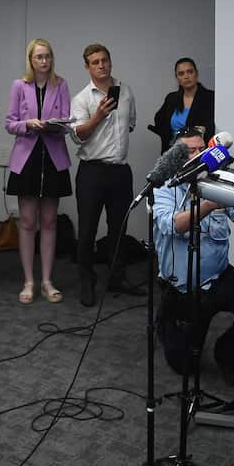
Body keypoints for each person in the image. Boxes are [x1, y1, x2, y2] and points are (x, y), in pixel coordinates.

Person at [153, 128, 234, 387]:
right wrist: (209, 204)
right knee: (185, 366)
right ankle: (166, 321)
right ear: (175, 156)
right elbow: (173, 225)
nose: (198, 154)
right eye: (190, 150)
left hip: (218, 278)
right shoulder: (164, 186)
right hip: (183, 289)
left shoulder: (216, 180)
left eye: (201, 148)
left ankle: (226, 353)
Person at [70, 43, 145, 306]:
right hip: (92, 171)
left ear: (110, 62)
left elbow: (131, 124)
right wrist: (98, 115)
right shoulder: (81, 99)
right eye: (95, 62)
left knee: (118, 229)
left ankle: (117, 277)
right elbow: (79, 136)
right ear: (87, 67)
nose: (101, 65)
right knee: (88, 229)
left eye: (104, 60)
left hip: (120, 171)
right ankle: (86, 281)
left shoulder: (126, 92)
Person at [4, 39, 72, 304]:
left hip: (53, 158)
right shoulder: (19, 85)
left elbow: (67, 122)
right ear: (31, 60)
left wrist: (56, 125)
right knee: (28, 222)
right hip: (27, 159)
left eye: (48, 57)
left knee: (50, 222)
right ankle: (29, 281)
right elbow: (10, 123)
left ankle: (47, 281)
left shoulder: (61, 84)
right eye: (39, 57)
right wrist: (27, 124)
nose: (44, 61)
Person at [150, 57, 216, 153]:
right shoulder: (171, 98)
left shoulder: (210, 97)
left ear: (196, 74)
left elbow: (212, 128)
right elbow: (159, 120)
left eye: (190, 72)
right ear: (177, 78)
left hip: (199, 154)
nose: (186, 76)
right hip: (173, 154)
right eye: (181, 73)